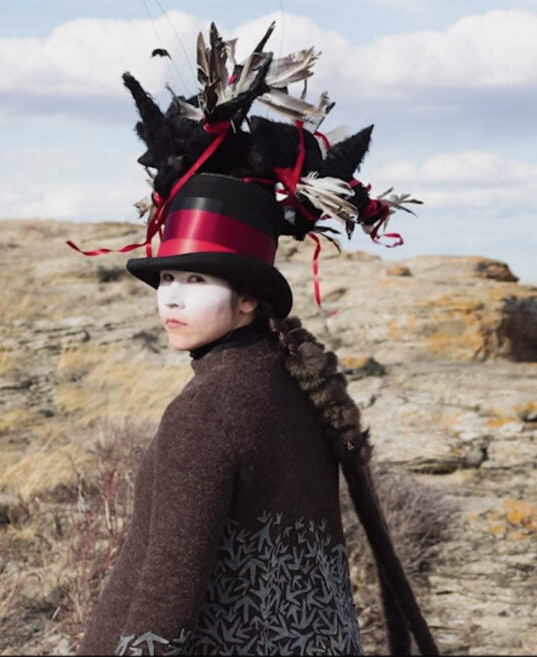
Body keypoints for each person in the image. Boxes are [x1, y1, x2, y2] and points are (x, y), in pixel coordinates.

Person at [72, 20, 436, 657]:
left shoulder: (208, 410)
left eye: (196, 278)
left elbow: (164, 598)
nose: (173, 297)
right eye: (167, 278)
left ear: (248, 296)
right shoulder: (289, 381)